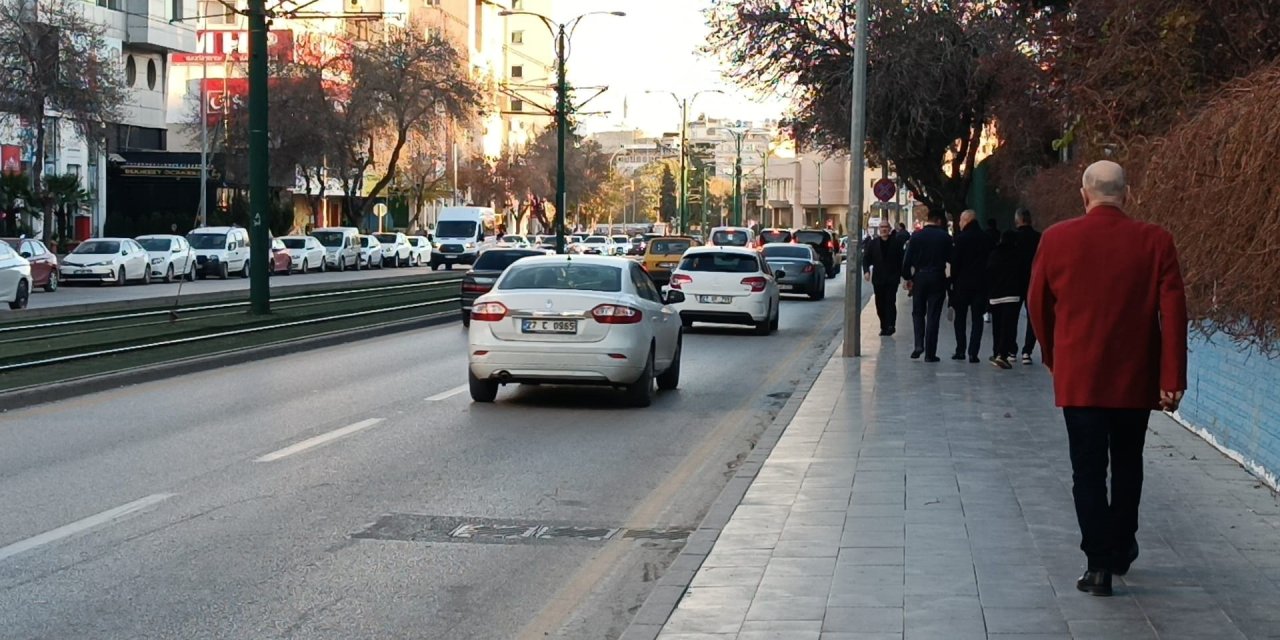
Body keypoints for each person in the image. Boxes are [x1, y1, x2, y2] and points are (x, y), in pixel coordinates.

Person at [1028, 160, 1187, 597]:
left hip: (1080, 377)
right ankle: (1122, 547)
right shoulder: (1156, 241)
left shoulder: (1057, 238)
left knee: (1088, 470)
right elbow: (1173, 315)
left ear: (1084, 194)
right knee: (1129, 464)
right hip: (1135, 379)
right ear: (1127, 195)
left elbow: (1036, 301)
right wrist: (1171, 377)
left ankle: (1097, 566)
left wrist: (1052, 354)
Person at [901, 208, 951, 362]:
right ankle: (930, 353)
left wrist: (908, 277)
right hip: (937, 277)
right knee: (933, 315)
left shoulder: (916, 236)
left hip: (920, 277)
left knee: (917, 312)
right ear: (939, 221)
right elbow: (951, 260)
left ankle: (918, 344)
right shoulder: (945, 237)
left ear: (928, 219)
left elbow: (906, 261)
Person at [949, 210, 994, 363]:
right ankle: (973, 352)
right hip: (981, 284)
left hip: (962, 284)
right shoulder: (986, 238)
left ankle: (960, 350)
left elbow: (955, 263)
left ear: (967, 220)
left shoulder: (961, 239)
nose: (959, 223)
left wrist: (952, 282)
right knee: (977, 319)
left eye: (961, 220)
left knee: (960, 318)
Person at [985, 230, 1022, 369]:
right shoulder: (1017, 254)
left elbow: (989, 273)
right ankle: (1003, 353)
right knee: (1009, 326)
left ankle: (997, 352)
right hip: (1012, 295)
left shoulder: (994, 254)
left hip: (996, 296)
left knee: (997, 326)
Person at [863, 219, 906, 336]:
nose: (884, 229)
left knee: (890, 301)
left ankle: (891, 325)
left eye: (886, 227)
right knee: (880, 302)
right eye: (882, 227)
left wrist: (904, 276)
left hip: (892, 278)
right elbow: (866, 258)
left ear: (889, 229)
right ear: (879, 229)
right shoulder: (873, 243)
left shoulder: (896, 243)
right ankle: (884, 325)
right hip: (878, 278)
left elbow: (902, 260)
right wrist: (866, 271)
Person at [1014, 208, 1042, 365]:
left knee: (1012, 315)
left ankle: (1012, 349)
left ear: (1018, 220)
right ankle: (1027, 351)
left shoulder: (1014, 238)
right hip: (1033, 280)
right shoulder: (1038, 238)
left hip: (1015, 281)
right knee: (1032, 317)